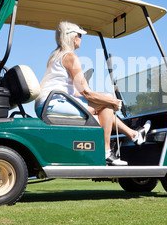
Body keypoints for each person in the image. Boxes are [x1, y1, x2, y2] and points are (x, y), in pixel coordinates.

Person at [35, 21, 151, 166]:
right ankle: (107, 152)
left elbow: (77, 92)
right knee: (107, 102)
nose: (81, 39)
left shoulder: (55, 56)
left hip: (48, 103)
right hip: (54, 104)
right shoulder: (70, 57)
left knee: (105, 101)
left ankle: (134, 135)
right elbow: (87, 93)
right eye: (79, 36)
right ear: (73, 38)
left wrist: (102, 98)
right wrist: (114, 102)